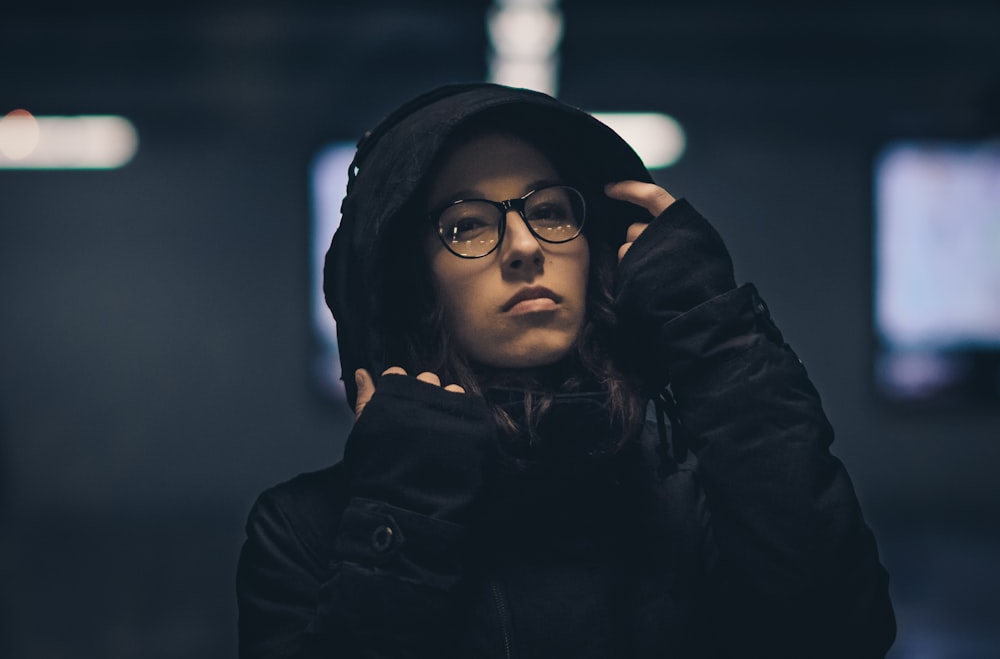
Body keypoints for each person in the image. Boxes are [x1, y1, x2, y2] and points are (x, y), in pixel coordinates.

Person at [236, 83, 896, 658]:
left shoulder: (693, 495)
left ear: (595, 252)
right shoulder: (305, 530)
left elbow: (841, 630)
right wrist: (404, 515)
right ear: (413, 287)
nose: (525, 245)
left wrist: (717, 334)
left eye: (549, 210)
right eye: (467, 225)